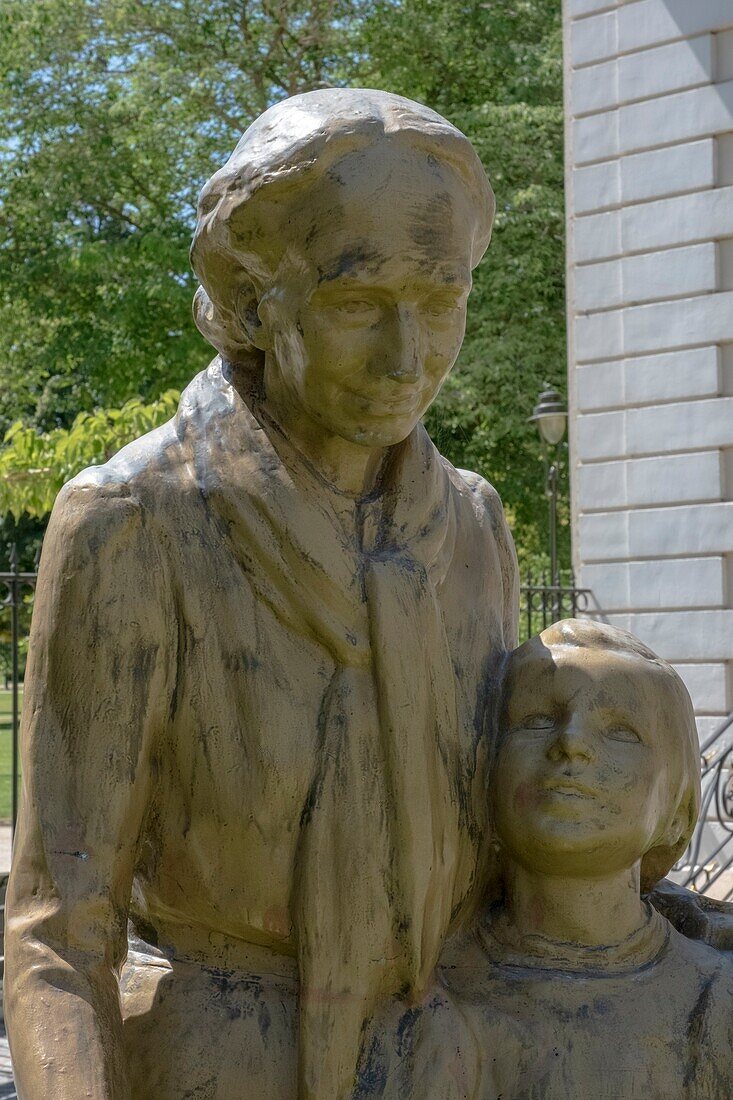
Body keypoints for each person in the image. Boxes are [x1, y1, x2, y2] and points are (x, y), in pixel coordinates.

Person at [5, 89, 519, 1100]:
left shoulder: (472, 524)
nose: (407, 358)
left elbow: (512, 874)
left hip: (446, 1056)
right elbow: (59, 929)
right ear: (248, 301)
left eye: (442, 299)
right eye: (357, 304)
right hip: (217, 1058)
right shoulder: (133, 519)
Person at [357, 619, 733, 1098]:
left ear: (677, 815)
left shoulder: (714, 1003)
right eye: (536, 720)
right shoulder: (416, 1000)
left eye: (620, 731)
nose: (571, 741)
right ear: (486, 774)